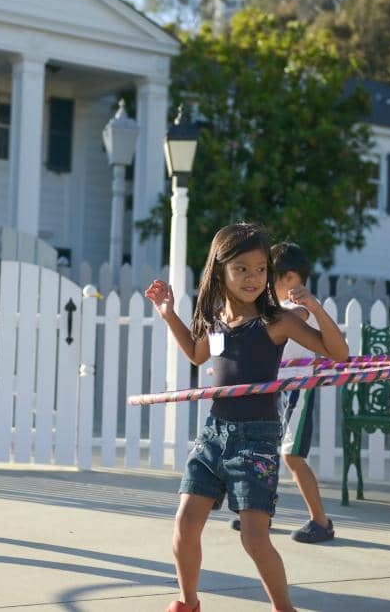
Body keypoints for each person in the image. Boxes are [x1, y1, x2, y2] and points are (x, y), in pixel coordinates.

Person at [146, 223, 348, 612]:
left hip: (256, 440)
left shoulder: (277, 321)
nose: (253, 277)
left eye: (260, 269)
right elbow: (196, 353)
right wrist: (169, 314)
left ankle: (283, 608)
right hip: (212, 436)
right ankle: (188, 603)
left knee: (255, 538)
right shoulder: (216, 319)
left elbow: (338, 354)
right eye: (241, 268)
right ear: (220, 270)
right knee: (186, 523)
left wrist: (315, 308)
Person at [231, 242, 336, 543]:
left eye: (269, 276)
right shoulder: (278, 310)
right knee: (268, 454)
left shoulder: (301, 308)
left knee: (292, 457)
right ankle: (262, 516)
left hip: (297, 393)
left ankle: (321, 521)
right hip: (277, 391)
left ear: (290, 278)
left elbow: (291, 320)